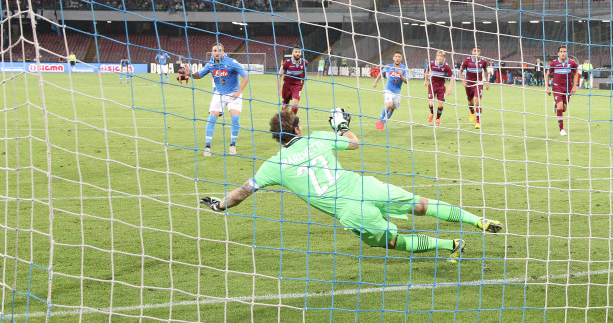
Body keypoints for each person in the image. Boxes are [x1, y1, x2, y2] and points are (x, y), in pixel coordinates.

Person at [200, 110, 503, 259]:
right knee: (421, 205)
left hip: (348, 210)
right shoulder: (317, 137)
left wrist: (220, 205)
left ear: (276, 137)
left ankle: (450, 245)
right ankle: (477, 220)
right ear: (297, 127)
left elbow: (243, 192)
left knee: (392, 242)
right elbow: (355, 144)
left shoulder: (273, 165)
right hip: (362, 186)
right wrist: (341, 126)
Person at [192, 43, 249, 156]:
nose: (217, 52)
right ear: (212, 52)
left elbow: (246, 77)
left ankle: (232, 144)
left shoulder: (232, 62)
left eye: (220, 50)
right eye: (215, 50)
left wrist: (238, 92)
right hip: (219, 94)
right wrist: (190, 74)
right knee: (212, 117)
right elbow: (199, 75)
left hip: (234, 93)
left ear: (223, 52)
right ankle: (207, 146)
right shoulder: (210, 64)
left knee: (235, 117)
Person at [545, 45, 579, 137]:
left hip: (567, 88)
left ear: (567, 53)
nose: (563, 53)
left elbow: (576, 74)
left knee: (563, 108)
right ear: (558, 53)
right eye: (561, 51)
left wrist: (574, 87)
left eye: (564, 51)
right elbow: (547, 75)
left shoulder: (572, 63)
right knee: (560, 107)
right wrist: (547, 87)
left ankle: (555, 104)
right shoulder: (554, 63)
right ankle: (561, 129)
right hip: (557, 87)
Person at [371, 51, 408, 130]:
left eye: (399, 57)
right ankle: (380, 120)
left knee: (392, 109)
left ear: (401, 59)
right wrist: (375, 82)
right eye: (396, 56)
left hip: (397, 92)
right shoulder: (389, 67)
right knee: (389, 104)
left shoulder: (404, 68)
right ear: (393, 58)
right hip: (388, 90)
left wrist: (401, 75)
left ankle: (383, 123)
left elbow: (406, 81)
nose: (397, 58)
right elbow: (381, 73)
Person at [460, 47, 489, 129]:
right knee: (470, 102)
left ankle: (478, 122)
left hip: (478, 83)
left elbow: (486, 71)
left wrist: (487, 82)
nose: (476, 52)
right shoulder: (467, 61)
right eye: (474, 50)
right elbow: (460, 71)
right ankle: (472, 112)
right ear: (472, 52)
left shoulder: (483, 61)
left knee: (477, 101)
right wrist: (463, 81)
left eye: (478, 51)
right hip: (469, 84)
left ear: (480, 52)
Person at [423, 50, 454, 125]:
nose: (439, 57)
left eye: (441, 56)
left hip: (441, 87)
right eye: (438, 56)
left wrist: (450, 88)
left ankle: (438, 118)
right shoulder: (432, 64)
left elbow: (452, 77)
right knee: (431, 104)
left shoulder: (446, 66)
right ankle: (432, 113)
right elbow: (427, 71)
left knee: (440, 105)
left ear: (444, 58)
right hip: (432, 86)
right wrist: (426, 80)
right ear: (436, 57)